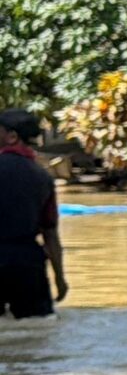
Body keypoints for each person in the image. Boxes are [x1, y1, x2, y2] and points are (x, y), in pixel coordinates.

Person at [0, 108, 67, 318]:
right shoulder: (42, 177)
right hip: (28, 263)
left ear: (11, 137)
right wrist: (59, 278)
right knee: (37, 332)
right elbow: (50, 233)